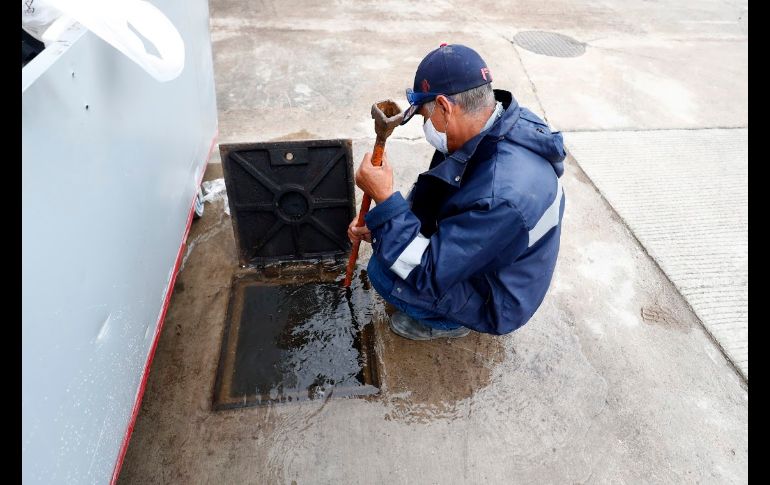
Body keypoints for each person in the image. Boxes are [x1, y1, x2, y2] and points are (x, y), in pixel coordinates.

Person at [349, 44, 566, 340]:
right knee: (390, 247)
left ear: (445, 107)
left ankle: (447, 324)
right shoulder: (491, 126)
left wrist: (386, 200)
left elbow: (424, 274)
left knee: (383, 273)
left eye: (426, 116)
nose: (427, 126)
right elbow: (438, 193)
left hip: (498, 297)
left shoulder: (500, 196)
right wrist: (383, 223)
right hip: (494, 249)